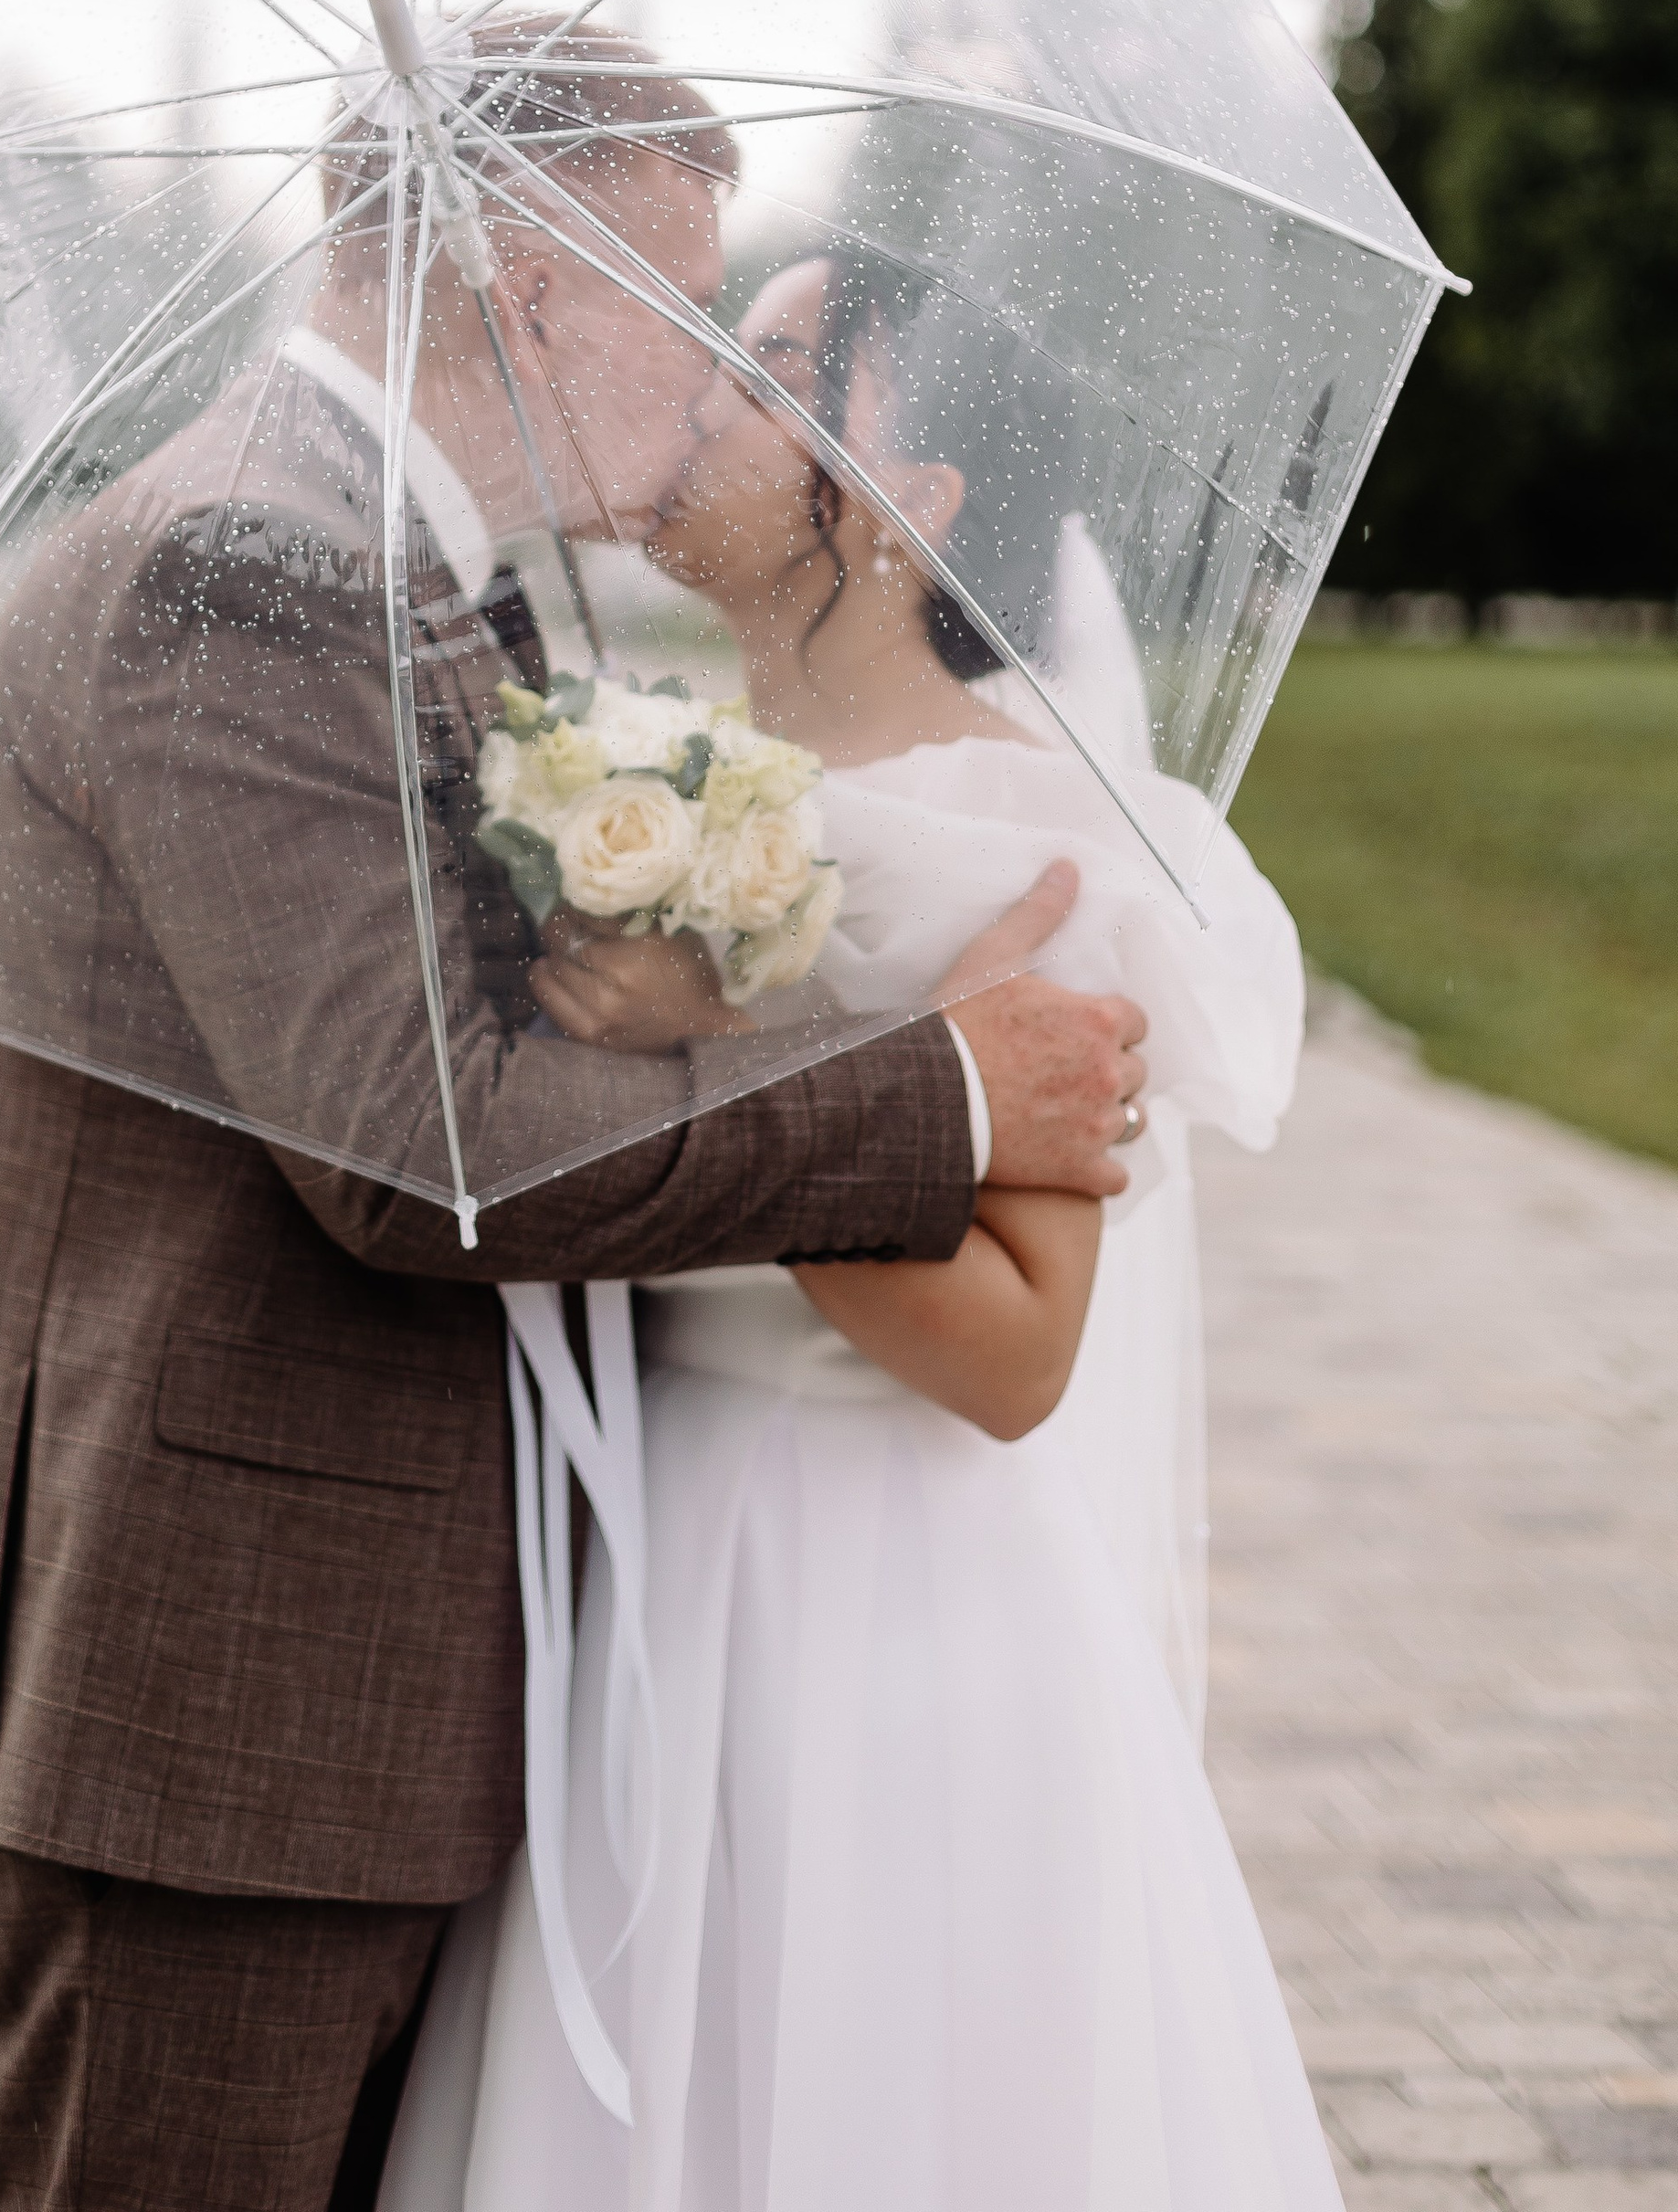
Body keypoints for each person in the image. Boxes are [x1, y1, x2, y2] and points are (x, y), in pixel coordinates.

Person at [0, 30, 1151, 2212]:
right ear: (531, 294)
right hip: (195, 1683)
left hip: (285, 1671)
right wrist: (951, 1083)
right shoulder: (250, 562)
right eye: (686, 308)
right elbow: (424, 1146)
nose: (712, 375)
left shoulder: (389, 561)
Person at [378, 248, 1340, 2210]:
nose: (700, 388)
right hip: (641, 1589)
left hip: (889, 1611)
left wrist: (723, 1054)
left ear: (916, 499)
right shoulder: (634, 782)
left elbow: (1017, 1357)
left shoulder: (1030, 841)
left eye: (774, 367)